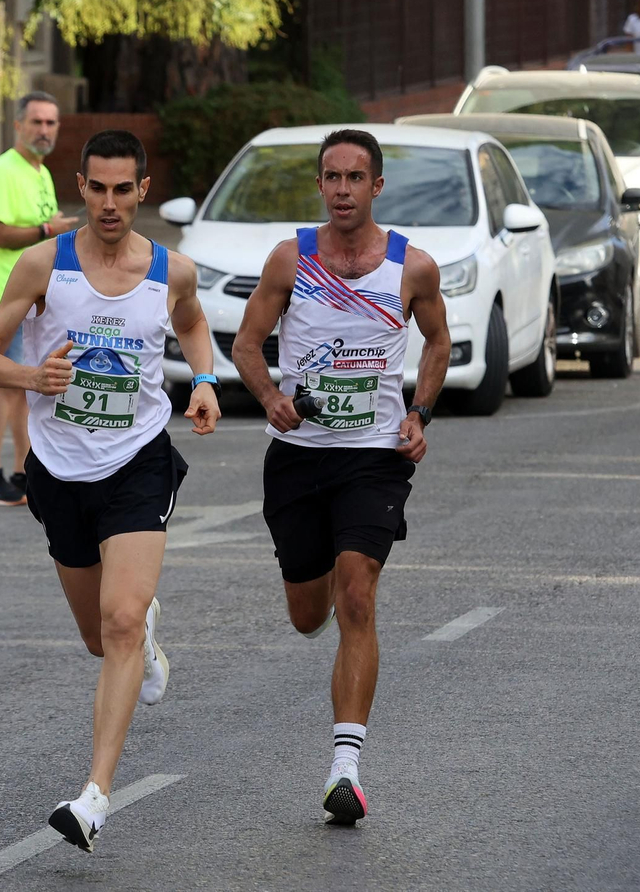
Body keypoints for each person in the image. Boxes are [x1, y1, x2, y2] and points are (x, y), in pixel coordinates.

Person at [0, 129, 221, 852]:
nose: (110, 204)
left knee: (119, 621)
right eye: (98, 189)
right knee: (98, 638)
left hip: (137, 463)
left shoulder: (171, 272)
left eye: (123, 190)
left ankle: (94, 797)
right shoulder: (43, 265)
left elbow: (192, 321)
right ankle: (142, 636)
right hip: (58, 470)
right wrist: (32, 376)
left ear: (143, 191)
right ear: (80, 187)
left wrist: (204, 380)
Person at [231, 128, 449, 825]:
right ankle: (321, 562)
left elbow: (438, 341)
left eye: (356, 178)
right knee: (307, 616)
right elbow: (246, 344)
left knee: (358, 594)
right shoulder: (291, 258)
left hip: (373, 458)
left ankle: (345, 769)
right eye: (332, 177)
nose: (343, 190)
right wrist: (271, 397)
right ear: (320, 184)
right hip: (298, 457)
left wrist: (419, 412)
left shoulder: (412, 267)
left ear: (377, 186)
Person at [0, 91, 79, 506]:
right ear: (18, 125)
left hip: (36, 301)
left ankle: (22, 473)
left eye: (51, 123)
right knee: (4, 385)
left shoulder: (41, 172)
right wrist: (47, 231)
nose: (44, 130)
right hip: (6, 297)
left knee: (23, 389)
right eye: (36, 122)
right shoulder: (5, 170)